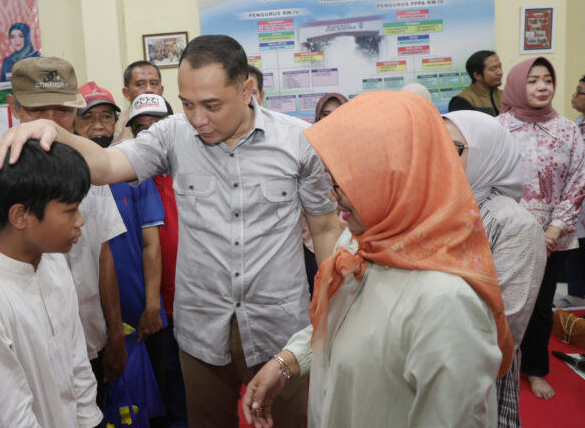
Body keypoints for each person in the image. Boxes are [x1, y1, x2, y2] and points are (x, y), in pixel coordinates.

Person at [0, 34, 344, 427]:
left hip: (280, 327)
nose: (198, 119)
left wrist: (330, 311)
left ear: (246, 90)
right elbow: (106, 166)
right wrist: (54, 132)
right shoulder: (173, 134)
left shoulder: (298, 140)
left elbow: (326, 227)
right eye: (188, 104)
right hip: (202, 333)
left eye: (212, 105)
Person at [242, 90, 513, 428]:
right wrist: (287, 361)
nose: (331, 194)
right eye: (330, 178)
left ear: (393, 176)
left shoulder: (447, 301)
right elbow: (340, 325)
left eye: (343, 181)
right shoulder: (361, 242)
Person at [0, 57, 128, 398]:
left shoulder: (93, 168)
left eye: (62, 111)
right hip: (25, 351)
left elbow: (104, 254)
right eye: (38, 111)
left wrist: (115, 333)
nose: (51, 124)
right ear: (14, 106)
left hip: (88, 336)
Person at [0, 139, 101, 427]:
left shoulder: (53, 263)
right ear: (20, 215)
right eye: (70, 210)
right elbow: (3, 414)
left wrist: (89, 421)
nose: (80, 221)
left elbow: (77, 361)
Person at [443, 110, 546, 428]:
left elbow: (505, 322)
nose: (439, 157)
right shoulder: (436, 210)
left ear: (487, 154)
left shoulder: (515, 224)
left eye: (453, 148)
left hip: (475, 372)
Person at [74, 82, 169, 425]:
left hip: (133, 309)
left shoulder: (131, 173)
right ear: (73, 122)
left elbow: (150, 245)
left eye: (106, 117)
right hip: (84, 321)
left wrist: (151, 304)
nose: (98, 125)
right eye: (89, 117)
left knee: (140, 401)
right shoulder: (66, 176)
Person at [497, 57, 585, 399]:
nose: (542, 86)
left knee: (541, 308)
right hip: (508, 236)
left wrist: (554, 229)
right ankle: (501, 367)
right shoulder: (499, 128)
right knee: (504, 304)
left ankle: (534, 369)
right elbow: (487, 180)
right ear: (519, 84)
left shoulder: (568, 130)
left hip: (555, 237)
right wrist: (520, 229)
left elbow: (578, 183)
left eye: (547, 79)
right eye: (532, 80)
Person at [126, 93, 188, 424]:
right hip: (156, 306)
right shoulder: (131, 178)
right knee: (166, 386)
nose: (149, 133)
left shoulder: (191, 170)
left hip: (195, 302)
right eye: (140, 128)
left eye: (157, 125)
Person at [557, 74, 585, 308]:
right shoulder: (575, 124)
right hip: (578, 199)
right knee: (577, 246)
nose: (574, 96)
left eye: (579, 91)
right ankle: (576, 292)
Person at [113, 60, 164, 143]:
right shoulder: (115, 125)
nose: (149, 90)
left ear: (161, 91)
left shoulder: (173, 123)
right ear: (126, 93)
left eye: (154, 83)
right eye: (140, 84)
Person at [449, 50, 503, 114]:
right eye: (493, 69)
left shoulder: (506, 97)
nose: (500, 72)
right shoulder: (461, 101)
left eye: (500, 67)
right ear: (477, 75)